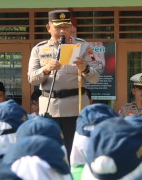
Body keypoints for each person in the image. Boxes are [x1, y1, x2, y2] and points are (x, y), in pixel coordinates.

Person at [28, 9, 100, 153]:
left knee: (76, 151)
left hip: (76, 109)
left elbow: (96, 78)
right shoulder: (39, 49)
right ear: (49, 28)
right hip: (50, 109)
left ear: (71, 28)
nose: (62, 31)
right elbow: (32, 79)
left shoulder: (83, 47)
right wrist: (46, 69)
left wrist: (85, 69)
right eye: (58, 27)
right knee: (50, 152)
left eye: (66, 27)